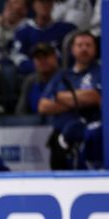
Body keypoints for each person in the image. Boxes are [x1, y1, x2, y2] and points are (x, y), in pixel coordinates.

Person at [38, 31, 102, 169]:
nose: (84, 48)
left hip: (89, 137)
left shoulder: (101, 72)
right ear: (72, 49)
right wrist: (79, 101)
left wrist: (61, 97)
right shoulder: (62, 75)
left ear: (95, 48)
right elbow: (43, 106)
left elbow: (96, 97)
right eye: (80, 45)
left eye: (88, 45)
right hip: (60, 137)